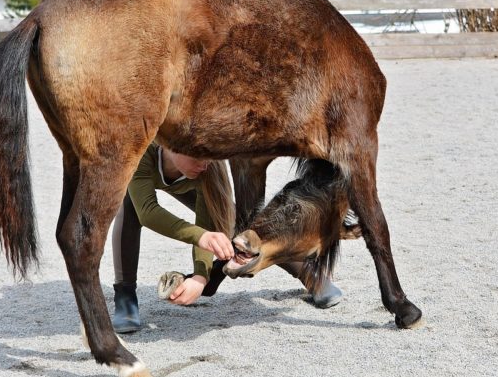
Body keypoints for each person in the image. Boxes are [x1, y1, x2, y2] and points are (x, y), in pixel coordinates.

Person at [110, 143, 343, 333]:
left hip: (186, 178)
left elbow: (208, 220)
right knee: (130, 206)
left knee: (233, 223)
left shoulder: (205, 166)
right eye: (198, 158)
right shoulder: (141, 149)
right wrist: (201, 238)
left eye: (209, 159)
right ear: (170, 144)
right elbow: (148, 212)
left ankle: (308, 274)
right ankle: (125, 294)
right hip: (138, 173)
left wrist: (200, 276)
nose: (204, 165)